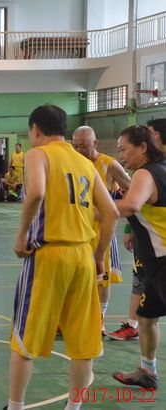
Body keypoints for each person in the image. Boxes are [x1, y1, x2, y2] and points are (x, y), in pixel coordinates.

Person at [5, 105, 118, 410]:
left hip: (49, 255)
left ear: (35, 129)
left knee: (25, 340)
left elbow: (36, 192)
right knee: (83, 344)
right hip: (83, 256)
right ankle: (74, 407)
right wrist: (99, 256)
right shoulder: (85, 162)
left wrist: (21, 235)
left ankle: (15, 406)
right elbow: (111, 212)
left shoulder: (38, 155)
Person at [112, 125, 166, 390]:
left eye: (124, 149)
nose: (121, 155)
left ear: (143, 147)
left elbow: (131, 205)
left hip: (163, 260)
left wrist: (84, 211)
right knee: (146, 317)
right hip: (154, 263)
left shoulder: (146, 173)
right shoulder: (158, 169)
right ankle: (147, 371)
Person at [72, 125, 131, 336]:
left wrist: (121, 215)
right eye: (76, 146)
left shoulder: (109, 164)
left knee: (102, 277)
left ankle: (99, 318)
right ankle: (72, 317)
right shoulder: (73, 162)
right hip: (77, 228)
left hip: (101, 229)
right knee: (76, 275)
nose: (80, 150)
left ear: (95, 143)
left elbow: (133, 190)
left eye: (84, 146)